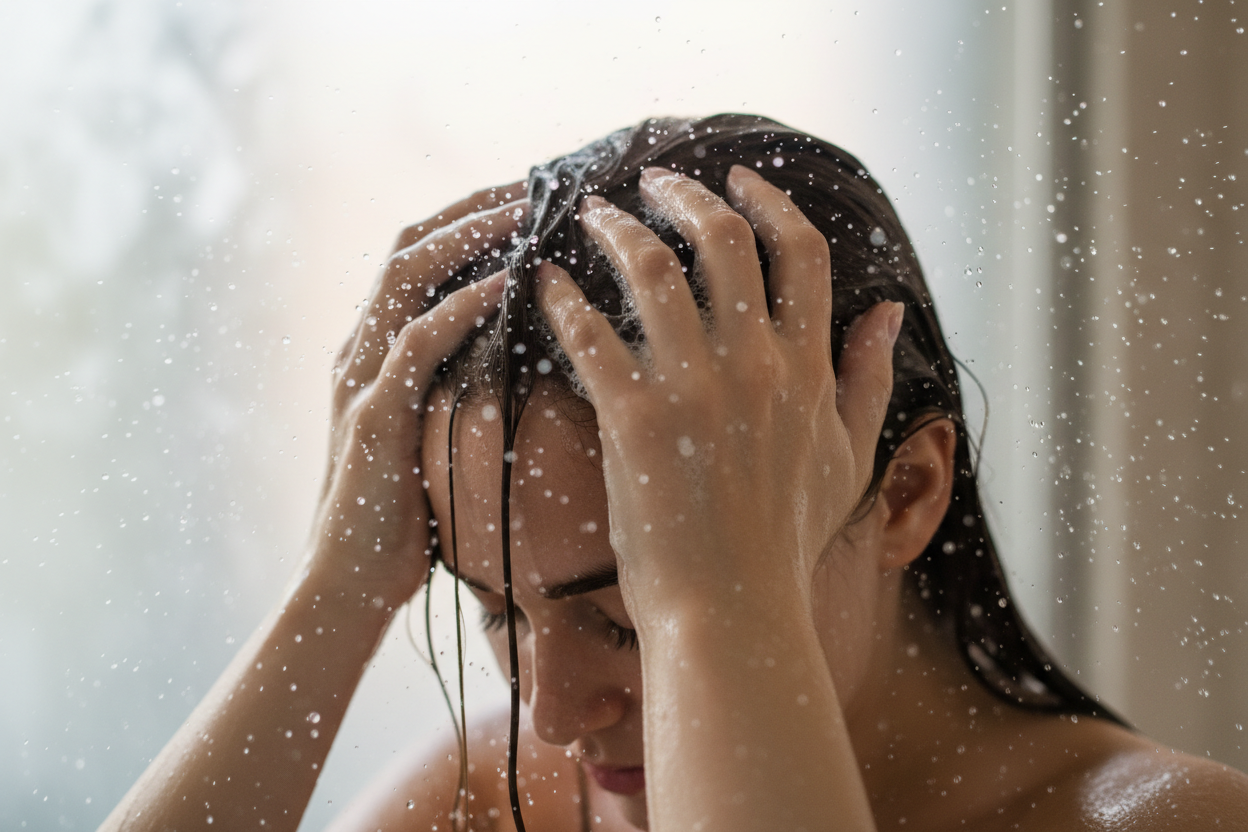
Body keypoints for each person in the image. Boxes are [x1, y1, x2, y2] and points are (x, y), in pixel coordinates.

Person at [101, 114, 1248, 832]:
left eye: (627, 607)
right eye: (498, 609)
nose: (549, 714)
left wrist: (714, 607)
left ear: (903, 493)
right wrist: (334, 594)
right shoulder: (485, 802)